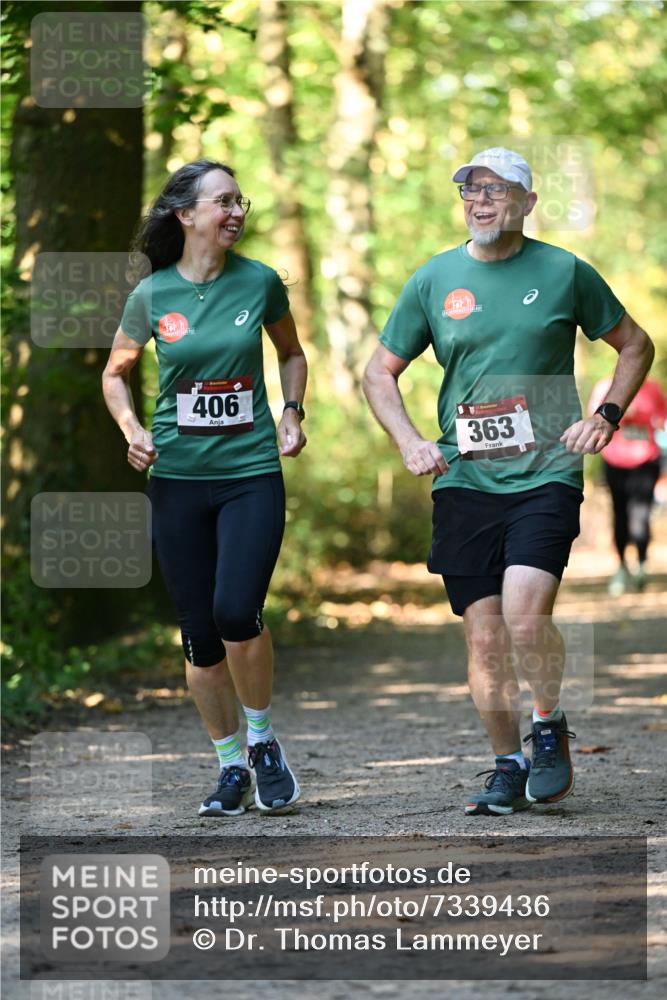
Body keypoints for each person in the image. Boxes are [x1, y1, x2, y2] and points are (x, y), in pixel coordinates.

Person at [363, 147, 654, 817]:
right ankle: (505, 763)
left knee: (526, 616)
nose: (482, 198)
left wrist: (603, 417)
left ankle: (546, 723)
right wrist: (408, 440)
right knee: (485, 635)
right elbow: (378, 372)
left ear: (526, 202)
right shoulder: (433, 280)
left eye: (498, 189)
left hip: (544, 471)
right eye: (471, 188)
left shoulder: (563, 272)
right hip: (463, 478)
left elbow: (634, 345)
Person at [102, 159, 307, 817]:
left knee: (235, 610)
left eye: (239, 200)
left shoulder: (260, 283)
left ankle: (262, 740)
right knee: (197, 634)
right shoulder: (151, 295)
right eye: (223, 202)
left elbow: (291, 354)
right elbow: (116, 374)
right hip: (178, 481)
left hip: (249, 474)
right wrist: (132, 428)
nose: (236, 211)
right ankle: (228, 768)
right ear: (184, 215)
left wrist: (291, 411)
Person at [588, 376, 667, 595]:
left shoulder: (652, 387)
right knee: (619, 514)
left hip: (646, 461)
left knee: (640, 515)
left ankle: (642, 563)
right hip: (614, 461)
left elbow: (662, 420)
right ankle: (622, 567)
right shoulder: (604, 386)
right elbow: (592, 418)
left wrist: (640, 417)